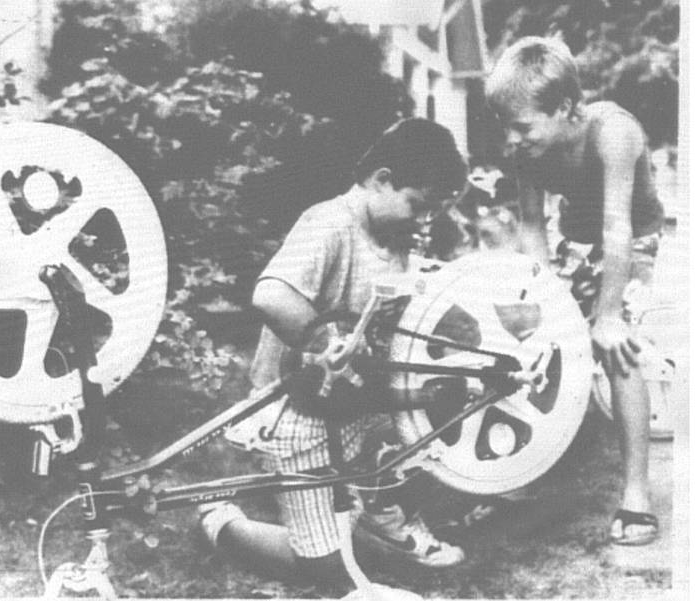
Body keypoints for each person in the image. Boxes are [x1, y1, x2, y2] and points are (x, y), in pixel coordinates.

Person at [198, 118, 469, 593]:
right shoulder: (326, 224)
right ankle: (223, 524)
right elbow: (270, 295)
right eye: (420, 206)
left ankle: (383, 514)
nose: (426, 221)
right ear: (382, 180)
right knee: (324, 571)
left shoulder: (393, 235)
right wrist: (324, 344)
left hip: (352, 404)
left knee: (442, 402)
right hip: (299, 410)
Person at [485, 36, 665, 545]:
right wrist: (543, 301)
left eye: (522, 126)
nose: (513, 139)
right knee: (542, 341)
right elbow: (532, 226)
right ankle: (537, 467)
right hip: (575, 239)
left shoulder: (614, 133)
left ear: (564, 107)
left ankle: (636, 493)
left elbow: (618, 229)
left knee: (618, 349)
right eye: (506, 127)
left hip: (631, 236)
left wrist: (608, 315)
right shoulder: (529, 150)